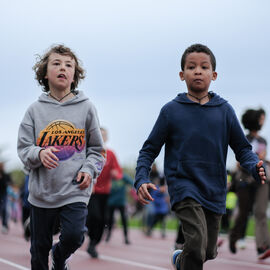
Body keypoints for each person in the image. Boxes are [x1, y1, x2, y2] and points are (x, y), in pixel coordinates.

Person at [134, 43, 266, 270]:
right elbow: (149, 149)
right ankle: (186, 257)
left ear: (213, 75)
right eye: (191, 66)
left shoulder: (224, 110)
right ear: (181, 74)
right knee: (195, 244)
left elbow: (242, 148)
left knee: (207, 251)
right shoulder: (171, 111)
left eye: (204, 67)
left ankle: (180, 260)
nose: (197, 71)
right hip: (183, 184)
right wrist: (141, 177)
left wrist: (254, 165)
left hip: (214, 187)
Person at [17, 44, 106, 270]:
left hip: (74, 190)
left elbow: (97, 151)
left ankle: (60, 255)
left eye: (69, 65)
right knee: (38, 250)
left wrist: (89, 169)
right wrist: (39, 152)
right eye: (56, 63)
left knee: (75, 236)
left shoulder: (86, 108)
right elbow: (24, 148)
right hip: (43, 192)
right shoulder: (34, 110)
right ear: (45, 73)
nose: (62, 68)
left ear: (75, 75)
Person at [229, 108, 270, 259]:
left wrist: (263, 161)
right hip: (244, 180)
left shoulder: (263, 140)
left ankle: (263, 246)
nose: (263, 121)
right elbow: (240, 161)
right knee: (244, 213)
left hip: (261, 179)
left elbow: (263, 157)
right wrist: (251, 162)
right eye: (261, 118)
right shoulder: (244, 138)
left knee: (260, 212)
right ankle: (234, 237)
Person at [86, 127, 123, 258]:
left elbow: (118, 172)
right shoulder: (89, 151)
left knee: (104, 220)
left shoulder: (111, 154)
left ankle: (94, 243)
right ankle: (90, 239)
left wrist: (115, 174)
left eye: (104, 136)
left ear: (107, 138)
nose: (102, 138)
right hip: (92, 191)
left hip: (105, 192)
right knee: (94, 216)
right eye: (99, 135)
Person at [105, 173, 133, 245]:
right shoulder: (109, 177)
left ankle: (126, 237)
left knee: (124, 219)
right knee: (110, 220)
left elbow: (132, 183)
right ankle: (108, 235)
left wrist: (135, 189)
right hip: (111, 202)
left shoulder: (123, 177)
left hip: (121, 202)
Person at [0, 162, 11, 234]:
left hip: (4, 195)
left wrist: (3, 179)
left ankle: (5, 225)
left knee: (4, 209)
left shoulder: (5, 174)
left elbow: (9, 182)